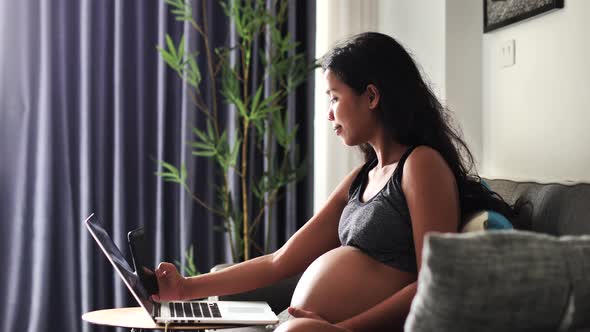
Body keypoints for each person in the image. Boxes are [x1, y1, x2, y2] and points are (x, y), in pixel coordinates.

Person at [153, 32, 515, 332]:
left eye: (335, 98)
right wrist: (185, 288)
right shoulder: (361, 178)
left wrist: (343, 329)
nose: (329, 113)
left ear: (371, 96)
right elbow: (279, 262)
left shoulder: (421, 165)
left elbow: (434, 282)